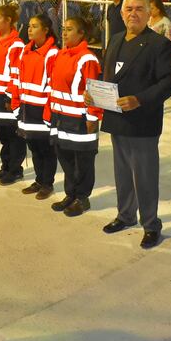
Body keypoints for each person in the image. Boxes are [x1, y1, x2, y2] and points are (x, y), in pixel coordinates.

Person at [94, 0, 171, 248]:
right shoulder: (116, 39)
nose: (133, 13)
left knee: (144, 176)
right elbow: (109, 77)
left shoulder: (158, 44)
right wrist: (95, 95)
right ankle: (125, 215)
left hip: (142, 121)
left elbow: (169, 82)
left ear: (149, 13)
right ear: (121, 13)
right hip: (117, 119)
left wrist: (139, 100)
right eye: (128, 9)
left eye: (139, 9)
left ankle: (151, 224)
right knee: (122, 172)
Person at [46, 17, 103, 217]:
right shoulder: (61, 54)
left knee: (83, 162)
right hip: (60, 117)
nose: (64, 33)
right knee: (65, 158)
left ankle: (82, 198)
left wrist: (92, 118)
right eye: (63, 29)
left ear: (81, 34)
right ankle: (70, 194)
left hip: (80, 120)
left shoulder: (88, 59)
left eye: (69, 30)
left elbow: (93, 90)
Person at [13, 14, 59, 200]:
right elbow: (17, 76)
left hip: (43, 109)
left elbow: (53, 84)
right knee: (34, 146)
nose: (29, 29)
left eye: (34, 26)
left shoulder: (52, 53)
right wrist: (17, 102)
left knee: (46, 148)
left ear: (46, 30)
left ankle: (47, 183)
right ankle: (39, 180)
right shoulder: (26, 50)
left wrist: (49, 112)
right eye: (29, 26)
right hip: (27, 107)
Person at [0, 4, 26, 181]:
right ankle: (5, 165)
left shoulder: (16, 45)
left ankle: (15, 169)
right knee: (2, 134)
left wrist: (10, 95)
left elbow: (16, 73)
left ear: (9, 21)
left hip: (7, 97)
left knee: (13, 135)